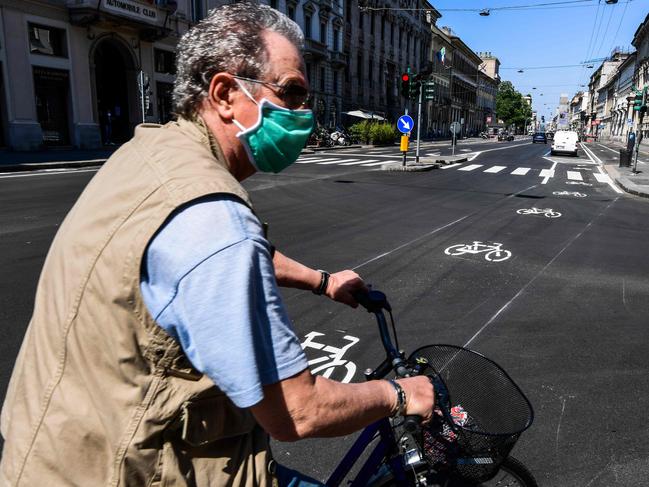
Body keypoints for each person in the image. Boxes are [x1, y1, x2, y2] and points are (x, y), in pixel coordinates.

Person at [0, 4, 435, 486]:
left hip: (53, 451)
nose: (303, 116)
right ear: (226, 93)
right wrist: (398, 394)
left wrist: (323, 281)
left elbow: (215, 260)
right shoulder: (215, 220)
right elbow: (298, 411)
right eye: (291, 94)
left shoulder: (149, 154)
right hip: (128, 471)